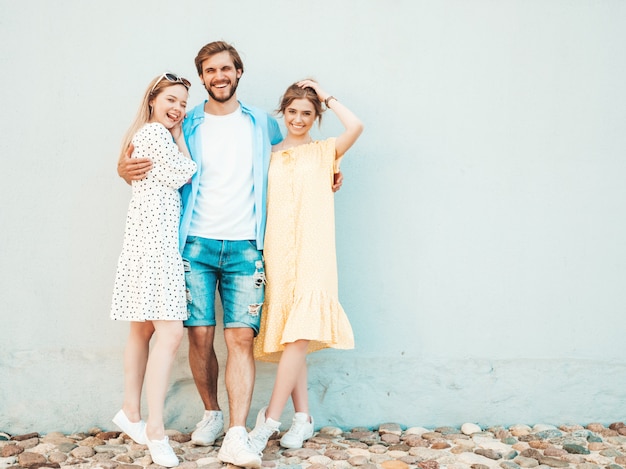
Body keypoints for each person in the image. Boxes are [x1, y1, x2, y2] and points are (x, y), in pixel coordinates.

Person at [118, 41, 282, 469]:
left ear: (238, 72)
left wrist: (327, 174)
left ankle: (236, 434)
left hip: (247, 244)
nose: (218, 76)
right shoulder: (183, 121)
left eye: (225, 68)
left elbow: (291, 154)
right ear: (204, 76)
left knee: (241, 337)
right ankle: (211, 413)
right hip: (194, 243)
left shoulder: (262, 123)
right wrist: (122, 166)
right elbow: (146, 157)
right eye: (210, 71)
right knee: (198, 335)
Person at [248, 79, 363, 453]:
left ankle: (269, 421)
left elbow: (356, 126)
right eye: (293, 111)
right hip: (277, 249)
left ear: (316, 117)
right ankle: (303, 418)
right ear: (284, 113)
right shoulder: (267, 154)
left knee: (299, 335)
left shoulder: (324, 151)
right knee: (288, 336)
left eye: (307, 113)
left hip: (314, 250)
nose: (299, 119)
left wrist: (327, 95)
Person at [111, 72, 197, 468]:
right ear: (152, 99)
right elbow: (184, 172)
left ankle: (131, 412)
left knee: (142, 328)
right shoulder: (153, 135)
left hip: (149, 240)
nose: (177, 109)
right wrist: (180, 140)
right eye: (171, 100)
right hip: (154, 244)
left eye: (182, 103)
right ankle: (156, 430)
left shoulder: (149, 135)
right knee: (170, 332)